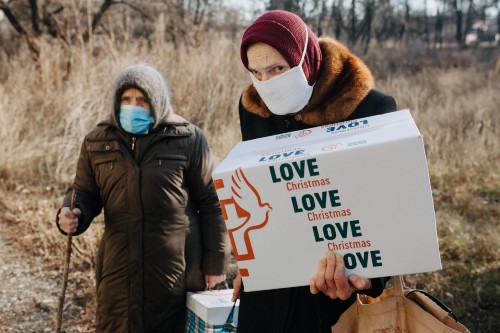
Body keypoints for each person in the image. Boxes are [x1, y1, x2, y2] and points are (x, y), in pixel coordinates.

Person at [232, 10, 397, 333]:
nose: (267, 83)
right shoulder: (251, 106)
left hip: (334, 293)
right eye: (256, 72)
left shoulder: (370, 107)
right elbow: (260, 185)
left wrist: (368, 278)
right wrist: (252, 261)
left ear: (306, 61)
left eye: (278, 68)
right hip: (270, 288)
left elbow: (389, 205)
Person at [56, 63, 231, 333]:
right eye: (126, 99)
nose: (132, 106)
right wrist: (72, 213)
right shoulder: (98, 141)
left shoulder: (188, 138)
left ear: (157, 102)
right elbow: (84, 193)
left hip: (176, 270)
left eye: (141, 100)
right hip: (118, 269)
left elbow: (212, 204)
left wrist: (216, 262)